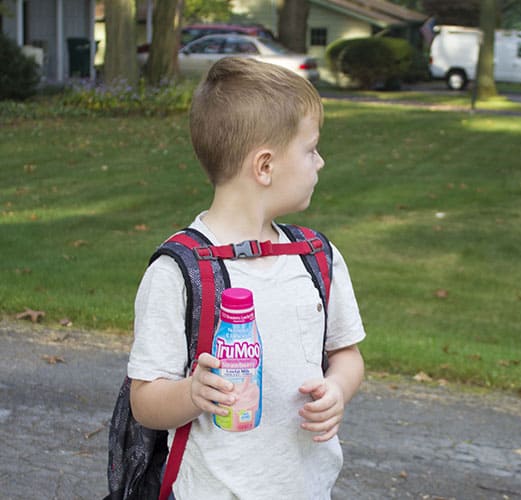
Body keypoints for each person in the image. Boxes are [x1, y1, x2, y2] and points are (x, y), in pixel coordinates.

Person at [127, 57, 366, 499]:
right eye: (311, 149)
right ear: (265, 167)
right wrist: (192, 394)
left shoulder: (316, 258)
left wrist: (337, 388)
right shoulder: (179, 272)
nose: (321, 161)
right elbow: (144, 402)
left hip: (308, 489)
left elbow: (347, 354)